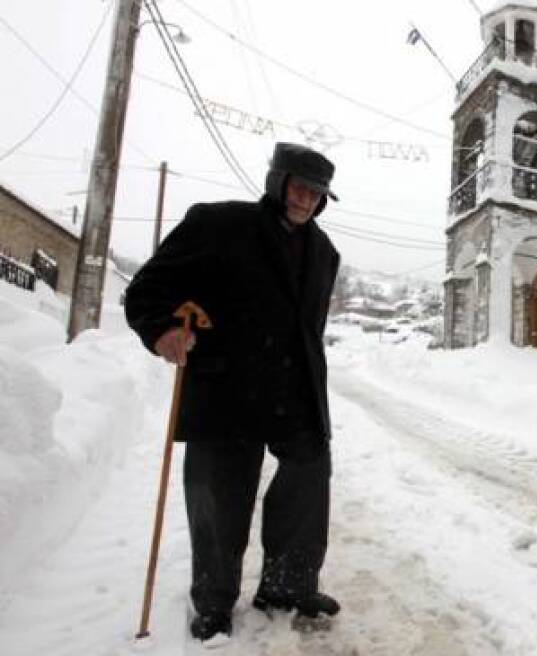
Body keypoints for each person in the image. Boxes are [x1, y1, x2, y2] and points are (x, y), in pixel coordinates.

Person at [125, 142, 342, 642]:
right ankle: (214, 600)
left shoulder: (325, 253)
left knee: (308, 483)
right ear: (277, 181)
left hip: (297, 390)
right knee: (220, 496)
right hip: (229, 385)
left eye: (317, 193)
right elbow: (147, 290)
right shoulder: (218, 224)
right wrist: (162, 330)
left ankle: (287, 585)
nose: (306, 200)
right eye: (299, 187)